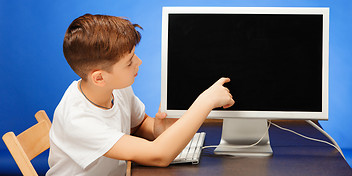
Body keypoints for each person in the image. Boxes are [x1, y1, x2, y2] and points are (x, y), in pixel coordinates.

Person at [46, 13, 235, 176]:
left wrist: (156, 128)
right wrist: (206, 100)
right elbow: (159, 155)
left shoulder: (115, 87)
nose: (139, 62)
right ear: (99, 78)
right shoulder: (79, 120)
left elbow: (138, 125)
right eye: (129, 62)